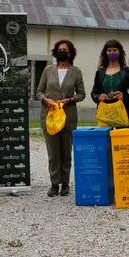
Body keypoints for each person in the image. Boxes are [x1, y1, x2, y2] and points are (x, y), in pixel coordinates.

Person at [36, 39, 86, 197]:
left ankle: (65, 183)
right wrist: (46, 99)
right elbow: (39, 91)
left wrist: (70, 100)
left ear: (70, 53)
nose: (61, 51)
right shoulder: (48, 70)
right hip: (50, 116)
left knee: (66, 152)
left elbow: (82, 94)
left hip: (68, 117)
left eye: (64, 49)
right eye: (59, 49)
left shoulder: (76, 71)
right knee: (53, 153)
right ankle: (54, 184)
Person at [91, 39, 129, 128]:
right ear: (105, 53)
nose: (112, 53)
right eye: (109, 50)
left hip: (122, 113)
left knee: (122, 141)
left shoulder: (126, 71)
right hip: (105, 113)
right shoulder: (100, 72)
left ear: (120, 52)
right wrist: (99, 97)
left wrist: (124, 97)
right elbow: (94, 93)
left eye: (114, 50)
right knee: (106, 141)